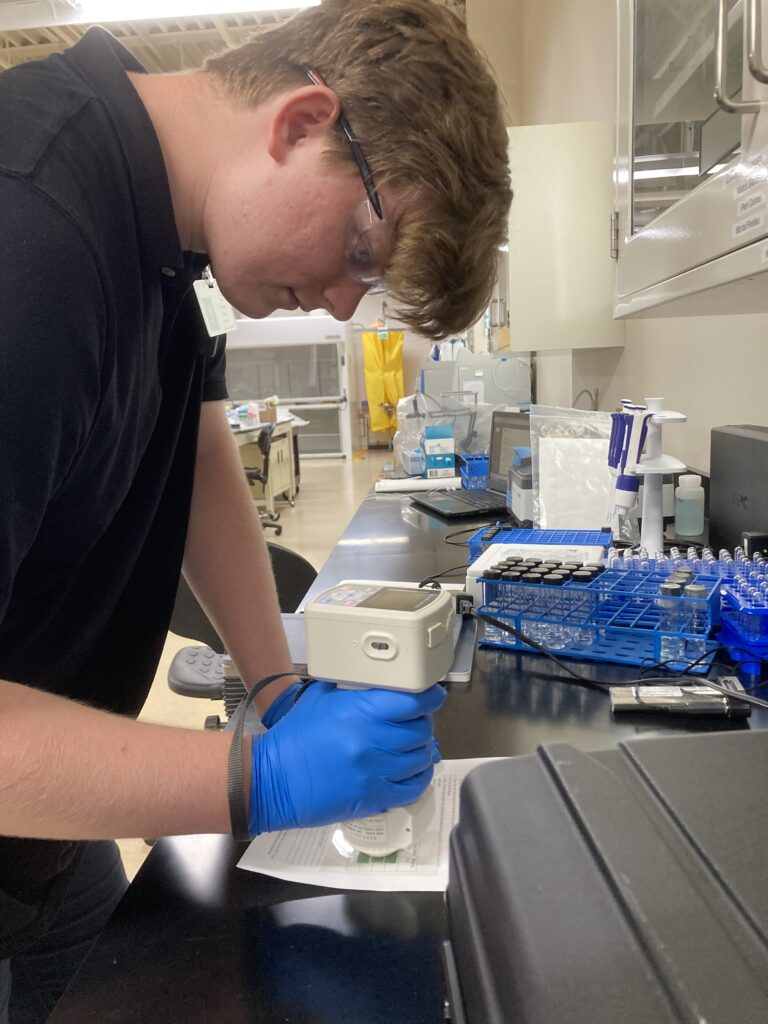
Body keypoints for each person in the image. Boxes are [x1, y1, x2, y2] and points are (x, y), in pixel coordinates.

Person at [0, 0, 511, 1018]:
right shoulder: (30, 236)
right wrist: (256, 777)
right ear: (300, 122)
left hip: (39, 824)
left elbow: (189, 447)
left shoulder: (148, 217)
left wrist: (275, 679)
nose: (338, 305)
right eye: (365, 254)